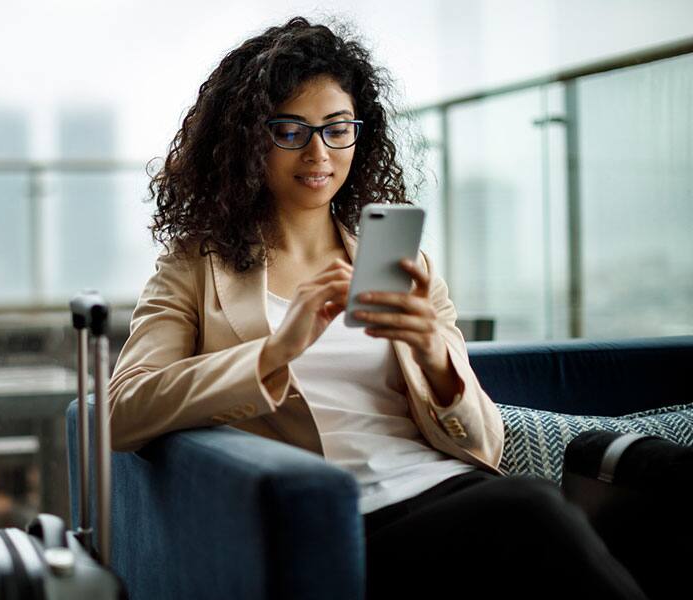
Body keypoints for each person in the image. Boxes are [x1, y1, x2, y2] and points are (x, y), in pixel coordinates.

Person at [107, 17, 649, 599]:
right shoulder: (195, 267)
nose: (318, 152)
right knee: (531, 510)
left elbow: (485, 444)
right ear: (247, 140)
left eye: (337, 129)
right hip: (345, 523)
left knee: (635, 500)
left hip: (451, 490)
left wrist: (436, 358)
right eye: (290, 130)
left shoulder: (400, 262)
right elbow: (122, 411)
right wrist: (275, 351)